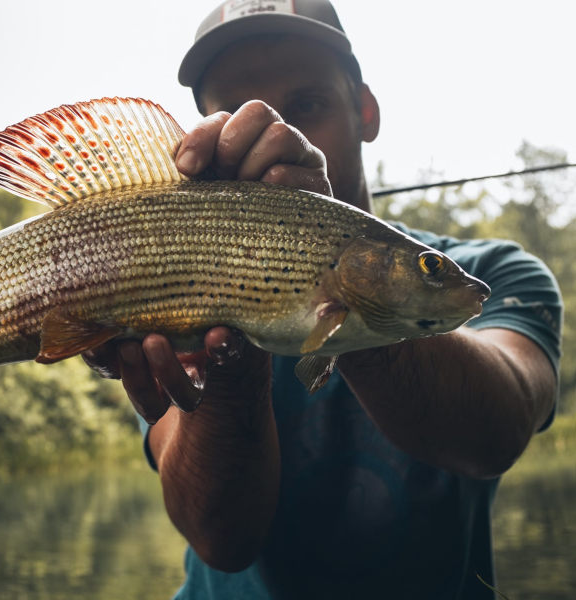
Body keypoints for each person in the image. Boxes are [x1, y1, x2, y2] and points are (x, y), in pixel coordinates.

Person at [82, 1, 563, 598]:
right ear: (208, 135)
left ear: (365, 110)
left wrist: (336, 277)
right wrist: (233, 346)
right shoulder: (169, 283)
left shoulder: (493, 273)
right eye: (238, 114)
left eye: (306, 106)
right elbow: (221, 538)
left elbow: (496, 432)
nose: (278, 134)